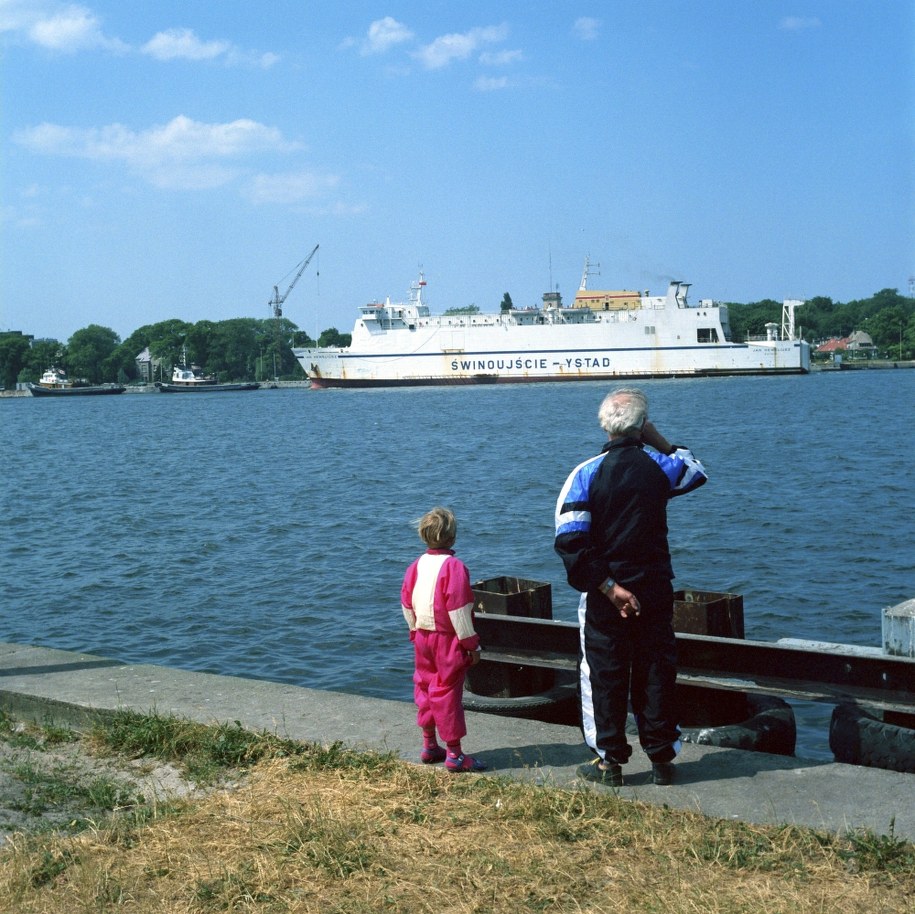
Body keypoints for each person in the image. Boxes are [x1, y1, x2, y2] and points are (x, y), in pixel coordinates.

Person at [554, 387, 707, 786]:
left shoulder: (585, 474)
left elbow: (570, 541)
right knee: (656, 669)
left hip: (606, 594)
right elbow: (696, 471)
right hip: (654, 587)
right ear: (642, 426)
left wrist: (608, 587)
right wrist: (660, 440)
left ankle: (610, 763)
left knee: (603, 674)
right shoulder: (659, 466)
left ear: (604, 425)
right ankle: (662, 758)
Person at [400, 506, 486, 772]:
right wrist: (471, 644)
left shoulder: (415, 566)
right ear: (452, 537)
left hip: (422, 636)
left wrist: (414, 631)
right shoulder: (454, 567)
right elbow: (459, 610)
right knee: (447, 692)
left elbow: (406, 603)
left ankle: (429, 745)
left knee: (425, 687)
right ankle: (455, 754)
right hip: (446, 640)